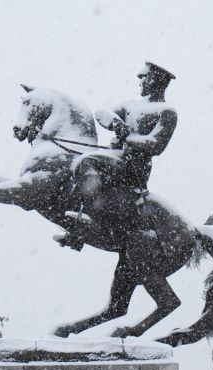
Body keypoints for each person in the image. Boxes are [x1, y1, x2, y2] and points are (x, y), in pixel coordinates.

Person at [58, 62, 179, 251]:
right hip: (116, 157)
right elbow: (101, 112)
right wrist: (115, 123)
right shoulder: (130, 106)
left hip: (135, 165)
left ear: (154, 80)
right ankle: (82, 213)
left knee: (87, 161)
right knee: (79, 160)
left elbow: (157, 145)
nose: (139, 80)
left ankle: (85, 222)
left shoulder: (166, 112)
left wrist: (128, 138)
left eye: (143, 77)